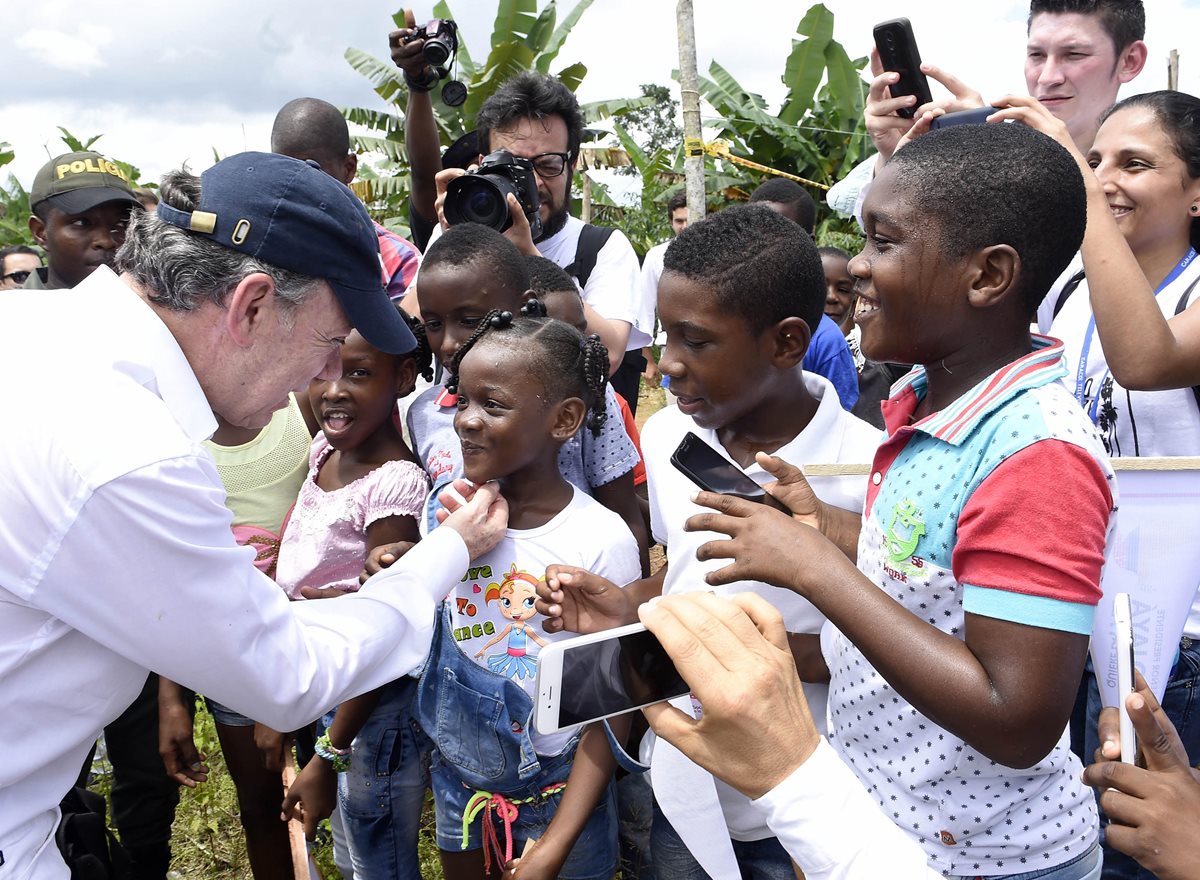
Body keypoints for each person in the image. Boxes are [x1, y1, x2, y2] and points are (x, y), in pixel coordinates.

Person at [0, 151, 508, 880]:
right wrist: (443, 555)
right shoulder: (127, 452)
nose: (328, 376)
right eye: (332, 344)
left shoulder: (32, 331)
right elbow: (286, 674)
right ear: (253, 306)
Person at [682, 124, 1116, 878]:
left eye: (885, 242)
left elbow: (1017, 718)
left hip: (993, 861)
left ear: (987, 277)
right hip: (895, 829)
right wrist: (831, 528)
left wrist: (816, 568)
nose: (856, 266)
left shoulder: (1036, 452)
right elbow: (934, 571)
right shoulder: (930, 404)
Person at [539, 205, 881, 878]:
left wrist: (759, 658)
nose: (667, 366)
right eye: (666, 337)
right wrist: (631, 607)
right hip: (689, 787)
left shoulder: (866, 473)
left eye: (696, 342)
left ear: (786, 343)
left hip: (817, 797)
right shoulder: (668, 439)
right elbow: (687, 574)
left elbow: (897, 650)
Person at [991, 88, 1200, 880]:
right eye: (1097, 158)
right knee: (1088, 835)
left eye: (1135, 164)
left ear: (1197, 192)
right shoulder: (1068, 293)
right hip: (1077, 618)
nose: (1108, 177)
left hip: (1176, 640)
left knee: (1152, 854)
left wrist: (1078, 188)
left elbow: (1144, 360)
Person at [416, 311, 639, 879]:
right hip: (461, 787)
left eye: (492, 405)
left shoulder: (598, 540)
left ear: (564, 419)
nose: (466, 421)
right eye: (460, 400)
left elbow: (611, 714)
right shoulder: (452, 518)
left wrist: (557, 843)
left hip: (560, 800)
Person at [391, 33, 647, 405]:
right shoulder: (454, 233)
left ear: (572, 162)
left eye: (547, 165)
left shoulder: (600, 248)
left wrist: (526, 255)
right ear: (481, 165)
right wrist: (454, 246)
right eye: (513, 168)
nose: (534, 183)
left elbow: (607, 354)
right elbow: (403, 336)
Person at [273, 311, 433, 880]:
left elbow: (385, 634)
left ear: (404, 376)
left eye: (359, 374)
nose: (333, 389)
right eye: (323, 370)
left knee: (377, 854)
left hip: (368, 710)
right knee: (348, 844)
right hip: (324, 680)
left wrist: (329, 753)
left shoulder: (396, 482)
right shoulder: (325, 449)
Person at [406, 223, 649, 575]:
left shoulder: (585, 395)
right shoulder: (424, 413)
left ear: (523, 307)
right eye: (433, 324)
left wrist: (632, 615)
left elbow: (624, 513)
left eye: (470, 320)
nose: (448, 342)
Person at [157, 394, 314, 880]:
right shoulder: (172, 437)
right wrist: (170, 697)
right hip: (236, 660)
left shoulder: (305, 407)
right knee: (263, 805)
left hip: (323, 646)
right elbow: (173, 575)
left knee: (339, 798)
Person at [827, 0, 1147, 222]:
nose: (1048, 77)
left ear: (1129, 61)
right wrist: (899, 156)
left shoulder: (1157, 173)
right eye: (1036, 55)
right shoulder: (992, 140)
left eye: (1074, 54)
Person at [271, 96, 420, 302]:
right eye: (285, 170)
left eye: (313, 171)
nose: (297, 185)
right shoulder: (257, 250)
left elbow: (403, 332)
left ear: (349, 168)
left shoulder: (399, 261)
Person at [747, 179, 859, 411]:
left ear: (807, 242)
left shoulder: (825, 340)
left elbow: (842, 420)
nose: (763, 247)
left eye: (779, 234)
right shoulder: (720, 316)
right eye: (753, 233)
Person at [24, 149, 141, 289]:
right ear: (40, 232)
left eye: (121, 224)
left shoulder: (155, 308)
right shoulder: (12, 310)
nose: (106, 241)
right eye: (82, 223)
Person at [819, 245, 907, 430]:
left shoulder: (867, 348)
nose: (831, 297)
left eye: (843, 289)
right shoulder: (829, 341)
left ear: (854, 297)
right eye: (820, 285)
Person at [638, 191, 690, 387]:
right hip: (671, 345)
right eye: (679, 221)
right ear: (671, 222)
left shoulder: (718, 254)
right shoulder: (656, 256)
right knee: (677, 409)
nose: (685, 226)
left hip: (709, 346)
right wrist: (648, 360)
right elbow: (645, 308)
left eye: (688, 219)